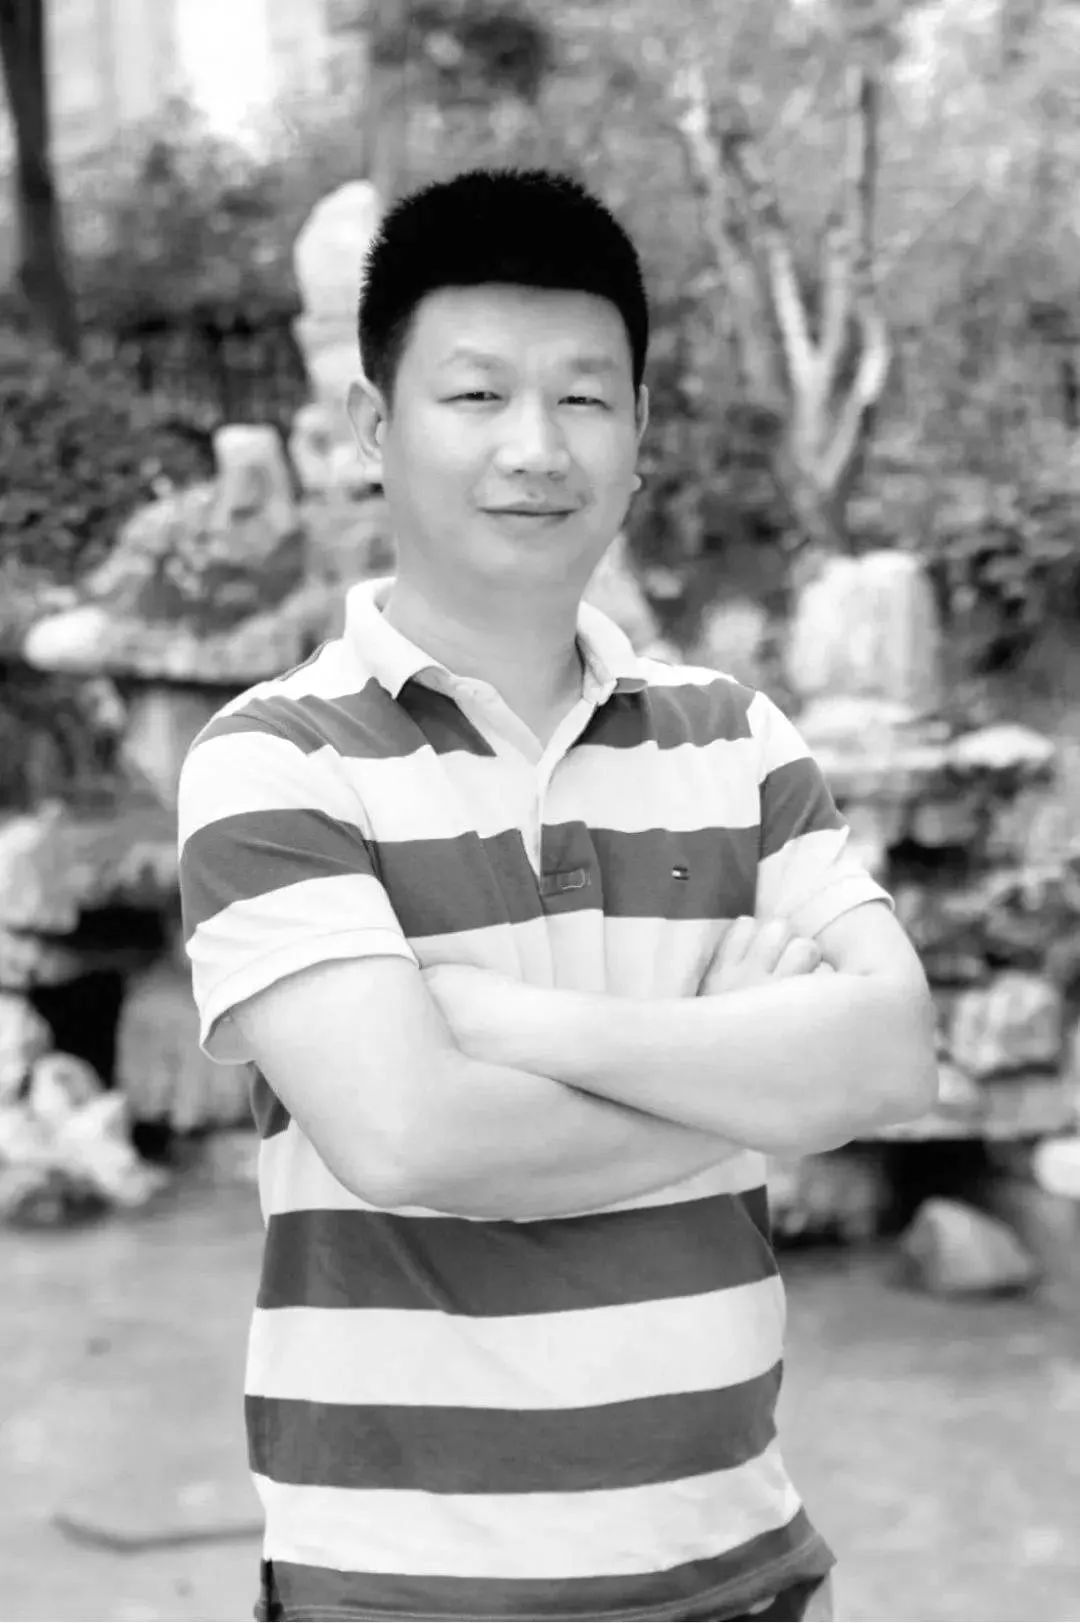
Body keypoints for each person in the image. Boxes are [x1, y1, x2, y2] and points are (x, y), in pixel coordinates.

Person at [177, 167, 938, 1623]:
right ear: (372, 428)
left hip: (746, 1573)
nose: (535, 447)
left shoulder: (737, 740)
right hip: (401, 1591)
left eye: (584, 398)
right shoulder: (276, 762)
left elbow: (894, 1055)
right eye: (477, 395)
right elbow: (411, 1137)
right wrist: (761, 1079)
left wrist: (520, 1028)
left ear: (639, 431)